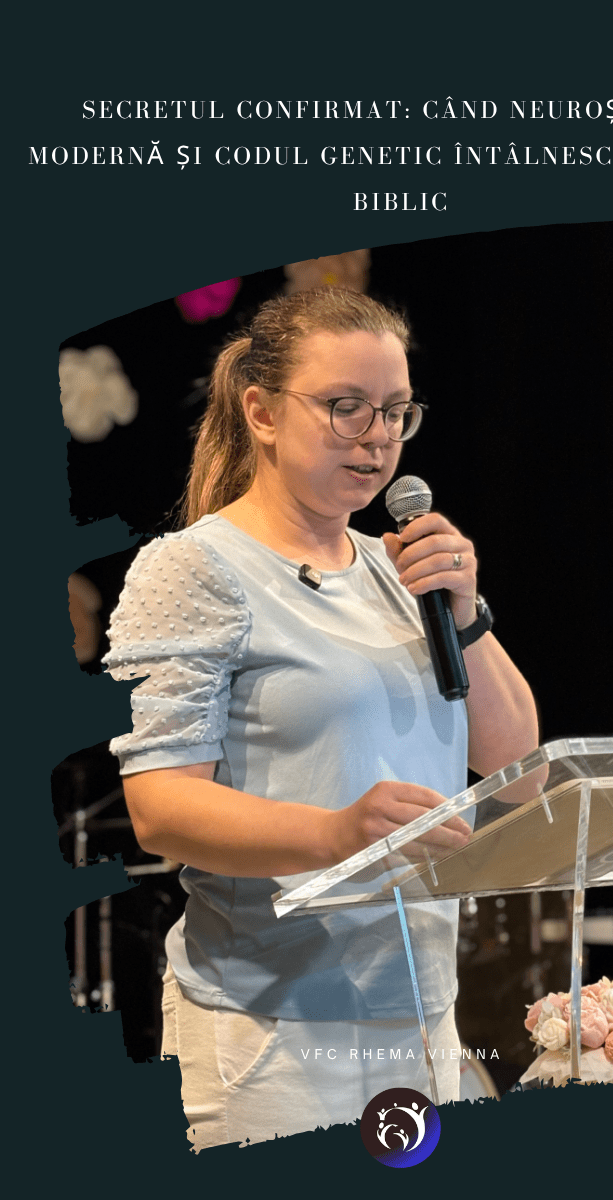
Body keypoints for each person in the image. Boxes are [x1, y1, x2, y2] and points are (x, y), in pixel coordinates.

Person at [104, 287, 538, 1151]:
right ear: (262, 412)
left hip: (424, 1014)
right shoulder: (195, 570)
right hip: (277, 1033)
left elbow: (514, 759)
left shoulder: (403, 568)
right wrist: (337, 832)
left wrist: (466, 613)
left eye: (396, 412)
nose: (377, 438)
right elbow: (160, 808)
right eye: (346, 407)